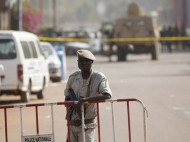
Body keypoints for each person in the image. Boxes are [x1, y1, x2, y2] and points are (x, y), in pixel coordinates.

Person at [64, 49, 112, 142]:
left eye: (86, 61)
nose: (83, 63)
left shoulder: (99, 77)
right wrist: (73, 104)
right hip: (72, 124)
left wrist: (84, 100)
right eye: (81, 61)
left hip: (88, 125)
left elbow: (107, 95)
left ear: (92, 62)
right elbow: (66, 100)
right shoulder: (72, 78)